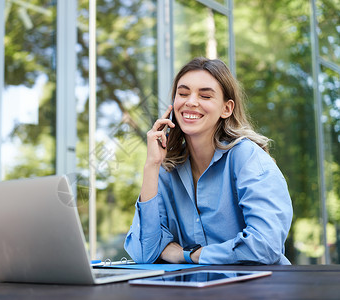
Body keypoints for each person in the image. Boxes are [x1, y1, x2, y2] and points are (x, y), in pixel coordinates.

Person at [124, 57, 293, 265]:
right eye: (183, 93)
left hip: (258, 290)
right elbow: (144, 253)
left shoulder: (247, 158)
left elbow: (265, 246)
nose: (191, 102)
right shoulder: (167, 167)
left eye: (205, 95)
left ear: (226, 109)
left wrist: (188, 254)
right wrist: (151, 166)